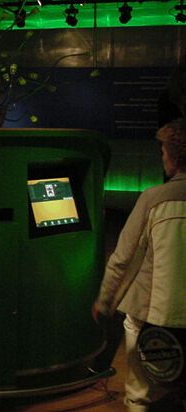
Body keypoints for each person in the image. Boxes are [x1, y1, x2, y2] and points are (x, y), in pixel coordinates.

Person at [92, 118, 186, 412]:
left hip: (154, 318)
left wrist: (105, 301)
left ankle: (138, 401)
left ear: (173, 157)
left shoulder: (153, 199)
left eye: (163, 152)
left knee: (132, 321)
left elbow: (123, 258)